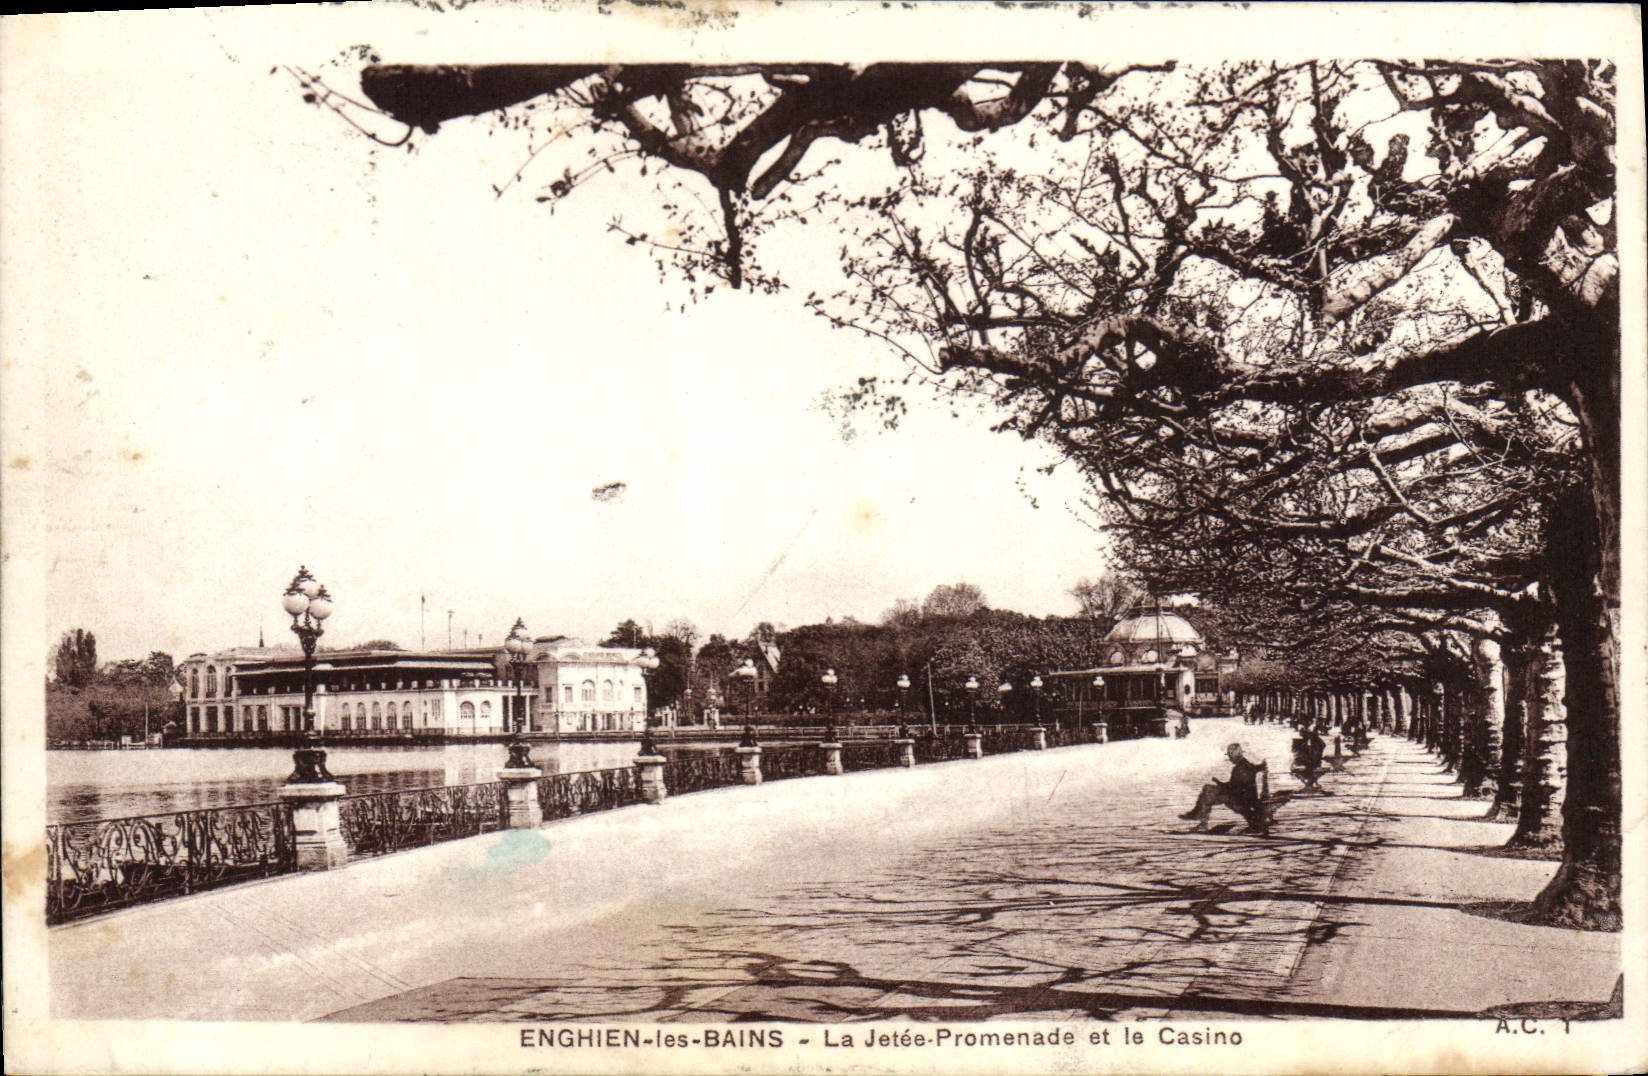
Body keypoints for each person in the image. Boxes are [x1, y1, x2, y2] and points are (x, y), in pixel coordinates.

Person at [1180, 742, 1267, 832]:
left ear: (1235, 754)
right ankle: (1199, 816)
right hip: (1241, 797)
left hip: (1241, 800)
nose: (1229, 758)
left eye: (1230, 755)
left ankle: (1201, 821)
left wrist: (1220, 784)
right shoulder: (1245, 765)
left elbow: (1234, 788)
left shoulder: (1241, 768)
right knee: (1208, 789)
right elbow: (1236, 784)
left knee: (1208, 792)